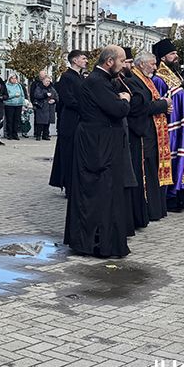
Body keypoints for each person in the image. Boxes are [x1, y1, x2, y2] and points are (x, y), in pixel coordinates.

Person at [64, 46, 133, 258]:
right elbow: (118, 110)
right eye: (121, 61)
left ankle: (103, 241)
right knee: (97, 193)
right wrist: (124, 100)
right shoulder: (96, 81)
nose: (123, 66)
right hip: (96, 146)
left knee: (105, 193)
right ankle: (94, 243)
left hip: (101, 142)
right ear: (110, 61)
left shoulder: (102, 80)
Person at [150, 40, 184, 211]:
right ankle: (170, 196)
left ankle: (182, 194)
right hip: (170, 127)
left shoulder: (175, 74)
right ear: (163, 57)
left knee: (183, 157)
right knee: (172, 158)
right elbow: (162, 101)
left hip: (182, 126)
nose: (176, 56)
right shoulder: (159, 78)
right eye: (172, 54)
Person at [126, 53, 172, 225]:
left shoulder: (146, 80)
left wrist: (163, 106)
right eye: (152, 64)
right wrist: (163, 104)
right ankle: (148, 209)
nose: (155, 68)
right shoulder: (134, 81)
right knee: (146, 172)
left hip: (152, 133)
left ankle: (155, 208)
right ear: (141, 64)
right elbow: (139, 107)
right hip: (143, 134)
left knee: (153, 170)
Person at [50, 51, 87, 192]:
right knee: (68, 152)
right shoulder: (66, 77)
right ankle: (69, 184)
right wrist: (84, 107)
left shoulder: (80, 77)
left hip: (79, 118)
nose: (86, 61)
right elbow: (68, 98)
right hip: (70, 119)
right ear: (75, 60)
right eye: (83, 58)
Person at [31, 76, 58, 141]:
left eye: (49, 81)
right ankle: (38, 135)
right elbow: (36, 95)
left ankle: (45, 135)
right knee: (40, 122)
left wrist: (54, 100)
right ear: (43, 81)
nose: (48, 82)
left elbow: (56, 95)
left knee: (47, 122)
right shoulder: (39, 87)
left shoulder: (51, 88)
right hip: (41, 107)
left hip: (49, 107)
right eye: (46, 81)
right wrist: (45, 95)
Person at [3, 72, 26, 141]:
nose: (14, 80)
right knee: (9, 120)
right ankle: (9, 134)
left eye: (15, 78)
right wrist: (14, 95)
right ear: (9, 79)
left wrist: (23, 103)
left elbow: (22, 95)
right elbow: (6, 95)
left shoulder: (19, 85)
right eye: (12, 78)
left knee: (17, 120)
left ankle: (15, 133)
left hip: (18, 104)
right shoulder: (6, 86)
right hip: (9, 104)